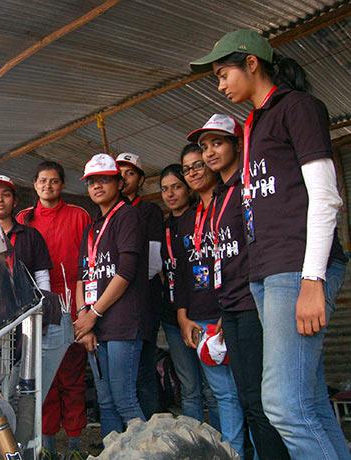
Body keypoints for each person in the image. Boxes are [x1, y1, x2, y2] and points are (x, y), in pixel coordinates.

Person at [191, 29, 349, 460]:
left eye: (223, 74)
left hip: (295, 270)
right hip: (265, 274)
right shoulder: (253, 125)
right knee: (310, 403)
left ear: (252, 64)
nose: (220, 85)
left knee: (283, 407)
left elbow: (326, 195)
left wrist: (312, 279)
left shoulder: (296, 108)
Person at [188, 113, 289, 458]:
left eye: (218, 143)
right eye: (205, 146)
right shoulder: (217, 197)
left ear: (236, 144)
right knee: (247, 398)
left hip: (253, 304)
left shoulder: (247, 186)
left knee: (264, 401)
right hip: (229, 308)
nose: (210, 152)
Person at [16, 161, 91, 458]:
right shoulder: (24, 219)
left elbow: (90, 261)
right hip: (36, 308)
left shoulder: (79, 215)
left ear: (62, 185)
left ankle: (74, 446)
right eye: (43, 181)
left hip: (72, 301)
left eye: (54, 181)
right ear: (34, 184)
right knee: (42, 377)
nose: (48, 186)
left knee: (72, 378)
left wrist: (84, 308)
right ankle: (45, 445)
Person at [175, 146, 245, 456]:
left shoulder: (230, 201)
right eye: (186, 169)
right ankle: (233, 453)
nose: (192, 172)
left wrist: (227, 313)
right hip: (199, 318)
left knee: (247, 391)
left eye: (198, 165)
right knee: (222, 394)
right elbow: (182, 273)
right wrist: (182, 315)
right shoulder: (187, 219)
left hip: (235, 311)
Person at [74, 153, 148, 439]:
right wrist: (84, 320)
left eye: (105, 180)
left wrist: (94, 314)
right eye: (92, 181)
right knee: (105, 403)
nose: (97, 186)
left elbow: (126, 272)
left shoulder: (128, 216)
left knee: (124, 400)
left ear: (119, 183)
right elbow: (83, 276)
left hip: (122, 324)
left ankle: (147, 455)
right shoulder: (92, 226)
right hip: (95, 324)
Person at [159, 159, 220, 431]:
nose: (170, 194)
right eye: (164, 189)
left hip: (203, 313)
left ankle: (219, 443)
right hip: (174, 317)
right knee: (189, 388)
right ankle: (196, 444)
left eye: (176, 187)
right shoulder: (162, 227)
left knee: (213, 388)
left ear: (188, 189)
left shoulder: (202, 216)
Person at [0, 175, 59, 395]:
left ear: (14, 201)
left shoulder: (30, 236)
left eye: (6, 194)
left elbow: (42, 278)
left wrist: (42, 313)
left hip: (24, 320)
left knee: (23, 379)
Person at [115, 152, 164, 420]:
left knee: (143, 369)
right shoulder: (111, 213)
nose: (123, 178)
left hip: (142, 301)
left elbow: (154, 262)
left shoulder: (149, 211)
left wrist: (124, 288)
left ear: (141, 179)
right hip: (115, 305)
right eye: (119, 172)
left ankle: (152, 429)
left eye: (130, 173)